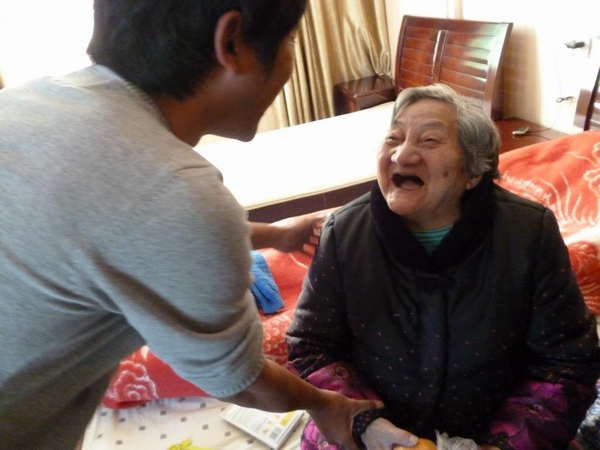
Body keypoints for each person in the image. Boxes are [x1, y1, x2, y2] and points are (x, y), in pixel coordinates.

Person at [0, 1, 382, 448]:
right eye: (291, 39)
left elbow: (130, 232)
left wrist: (278, 235)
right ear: (232, 43)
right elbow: (241, 380)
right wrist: (324, 404)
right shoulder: (175, 191)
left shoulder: (34, 100)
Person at [286, 83, 600, 449]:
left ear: (473, 171)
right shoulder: (344, 232)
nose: (403, 154)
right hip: (367, 432)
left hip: (492, 433)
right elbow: (310, 347)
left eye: (430, 141)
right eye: (393, 138)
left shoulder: (529, 233)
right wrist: (365, 423)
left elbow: (567, 362)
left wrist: (500, 445)